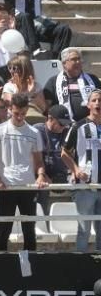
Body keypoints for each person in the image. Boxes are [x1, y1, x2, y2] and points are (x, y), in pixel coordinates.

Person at [0, 92, 49, 251]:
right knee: (4, 230)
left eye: (23, 113)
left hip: (27, 187)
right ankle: (0, 267)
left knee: (29, 231)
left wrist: (40, 175)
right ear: (9, 109)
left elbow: (39, 161)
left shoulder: (34, 133)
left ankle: (29, 268)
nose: (20, 117)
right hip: (6, 187)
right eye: (16, 113)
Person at [60, 89, 101, 252]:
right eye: (95, 100)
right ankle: (81, 265)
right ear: (88, 104)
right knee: (84, 229)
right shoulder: (78, 126)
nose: (98, 103)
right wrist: (76, 170)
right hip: (85, 187)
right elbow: (64, 153)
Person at [44, 48, 101, 122]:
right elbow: (47, 106)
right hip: (64, 125)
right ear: (64, 63)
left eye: (79, 59)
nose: (78, 62)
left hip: (92, 122)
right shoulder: (53, 81)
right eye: (74, 59)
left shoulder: (92, 79)